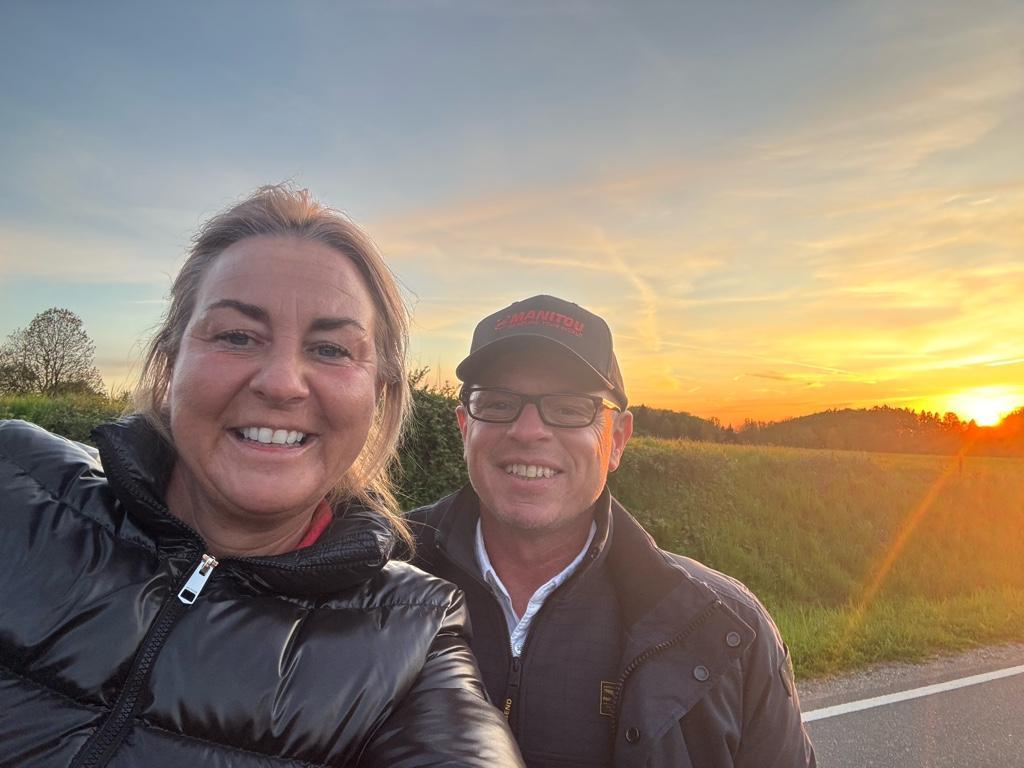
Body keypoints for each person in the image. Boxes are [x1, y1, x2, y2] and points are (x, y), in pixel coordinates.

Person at [0, 185, 524, 767]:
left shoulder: (417, 634)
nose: (281, 383)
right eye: (236, 336)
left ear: (378, 394)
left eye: (330, 349)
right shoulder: (15, 481)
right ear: (170, 362)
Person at [409, 295, 816, 767]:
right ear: (465, 428)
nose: (528, 431)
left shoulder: (728, 630)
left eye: (569, 408)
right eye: (498, 404)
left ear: (617, 440)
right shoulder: (369, 587)